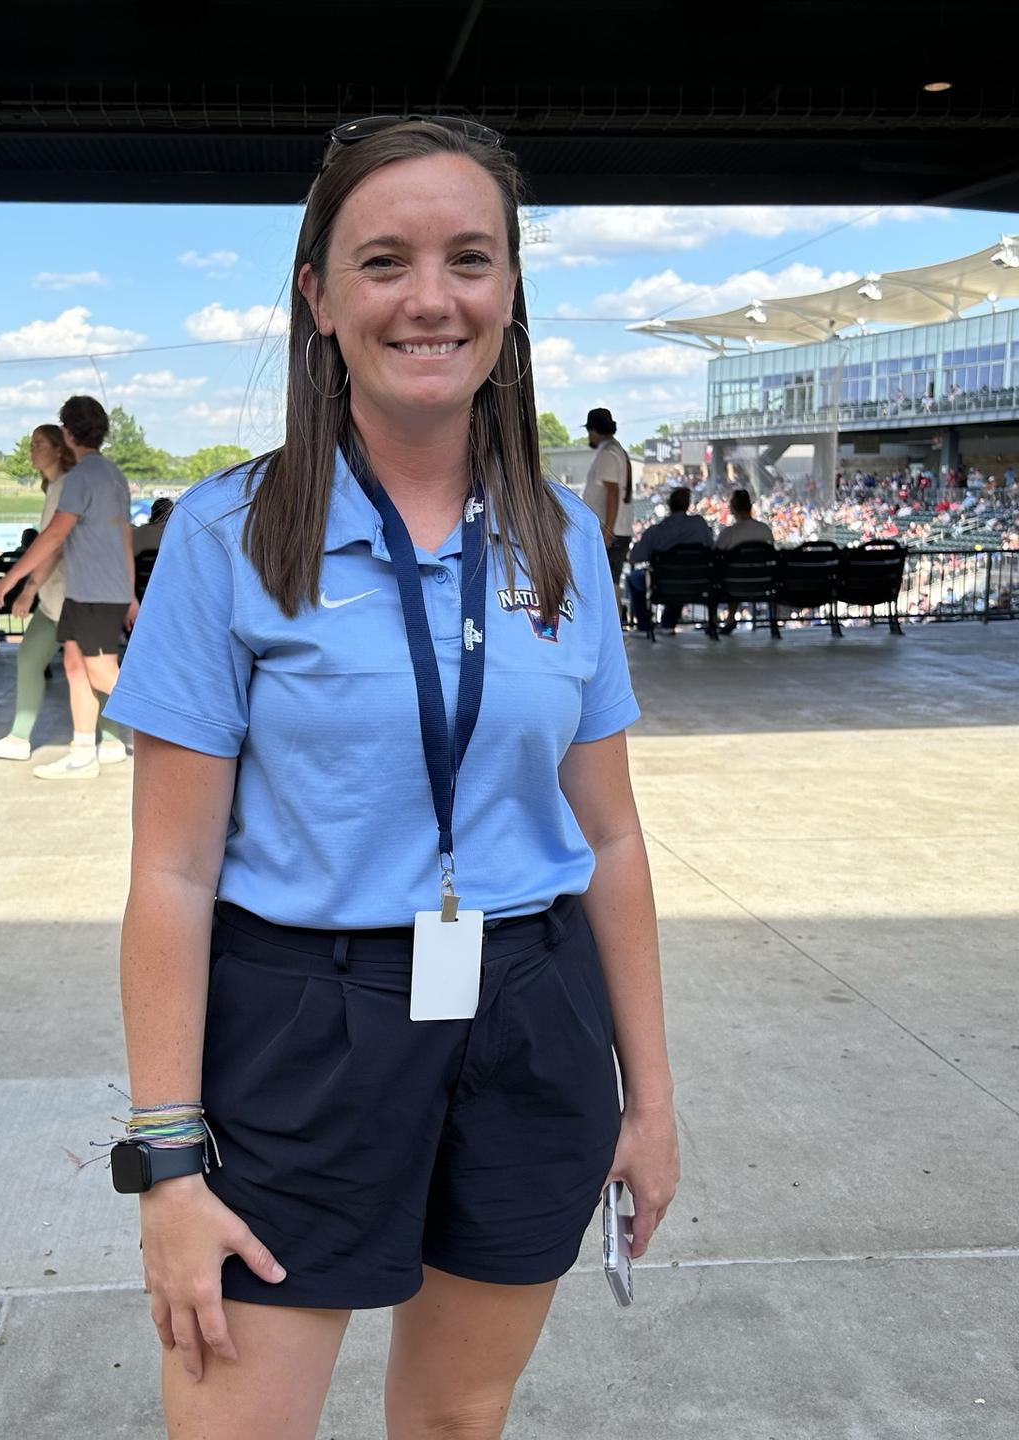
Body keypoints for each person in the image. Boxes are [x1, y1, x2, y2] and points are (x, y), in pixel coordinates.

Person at [100, 116, 677, 1438]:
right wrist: (170, 1164)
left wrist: (650, 1101)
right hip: (306, 1022)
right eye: (384, 262)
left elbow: (613, 840)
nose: (431, 298)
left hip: (527, 1010)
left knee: (459, 1418)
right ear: (318, 296)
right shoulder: (228, 536)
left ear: (510, 289)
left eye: (469, 258)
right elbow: (172, 871)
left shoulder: (562, 543)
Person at [0, 396, 136, 781]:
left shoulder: (80, 478)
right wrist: (131, 593)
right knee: (75, 667)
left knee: (103, 675)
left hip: (94, 594)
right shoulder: (114, 475)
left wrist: (11, 579)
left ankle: (169, 730)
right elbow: (125, 538)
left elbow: (54, 536)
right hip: (89, 593)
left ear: (67, 434)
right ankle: (83, 753)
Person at [0, 424, 87, 763]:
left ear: (59, 449)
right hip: (57, 599)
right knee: (34, 659)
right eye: (31, 444)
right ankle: (19, 738)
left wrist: (26, 589)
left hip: (71, 596)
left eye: (39, 444)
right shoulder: (56, 487)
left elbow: (54, 545)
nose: (32, 451)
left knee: (89, 672)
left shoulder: (66, 487)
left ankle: (108, 741)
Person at [625, 485, 713, 632]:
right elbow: (712, 548)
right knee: (680, 574)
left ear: (669, 504)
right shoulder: (699, 525)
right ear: (687, 505)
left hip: (662, 584)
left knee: (634, 577)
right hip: (696, 582)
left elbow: (634, 558)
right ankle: (668, 623)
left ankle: (644, 625)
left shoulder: (655, 532)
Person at [581, 407, 632, 604]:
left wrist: (607, 531)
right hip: (615, 529)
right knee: (610, 585)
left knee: (608, 588)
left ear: (593, 430)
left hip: (610, 531)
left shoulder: (608, 454)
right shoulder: (615, 450)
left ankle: (614, 623)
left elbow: (612, 492)